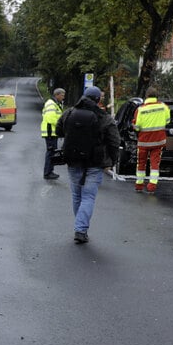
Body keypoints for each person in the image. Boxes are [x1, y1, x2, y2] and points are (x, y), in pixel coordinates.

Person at [55, 86, 120, 244]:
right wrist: (112, 160)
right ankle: (81, 229)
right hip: (94, 163)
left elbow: (58, 130)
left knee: (77, 195)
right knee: (88, 197)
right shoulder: (103, 117)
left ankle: (80, 228)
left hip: (73, 160)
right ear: (98, 100)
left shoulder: (69, 112)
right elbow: (114, 140)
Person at [132, 86, 170, 193]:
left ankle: (139, 185)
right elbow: (167, 121)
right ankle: (152, 185)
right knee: (154, 164)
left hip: (144, 142)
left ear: (146, 96)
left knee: (141, 163)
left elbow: (137, 126)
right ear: (157, 96)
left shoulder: (140, 109)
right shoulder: (164, 107)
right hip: (158, 141)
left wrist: (135, 126)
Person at [41, 88, 65, 179]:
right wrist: (61, 126)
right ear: (57, 95)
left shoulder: (54, 104)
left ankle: (49, 171)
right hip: (50, 132)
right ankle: (48, 172)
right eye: (62, 95)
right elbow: (51, 119)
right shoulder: (51, 104)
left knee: (51, 152)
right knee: (50, 152)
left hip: (52, 132)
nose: (63, 97)